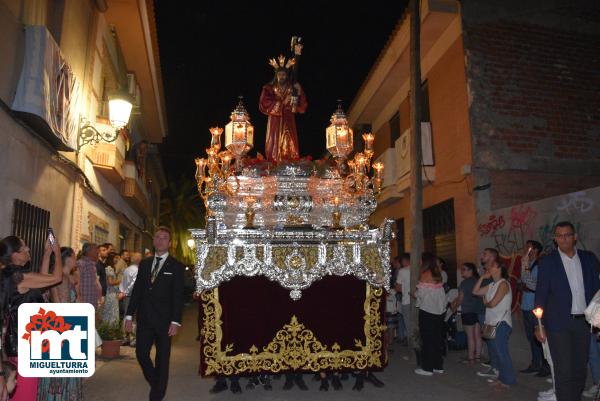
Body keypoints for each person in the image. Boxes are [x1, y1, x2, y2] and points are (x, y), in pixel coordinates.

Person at [535, 221, 600, 401]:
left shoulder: (588, 258)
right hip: (558, 324)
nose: (563, 239)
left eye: (567, 235)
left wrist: (599, 323)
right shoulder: (548, 261)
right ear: (555, 239)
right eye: (559, 236)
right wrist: (538, 325)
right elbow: (541, 294)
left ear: (575, 237)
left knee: (579, 368)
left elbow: (597, 293)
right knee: (563, 368)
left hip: (583, 323)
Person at [125, 227, 185, 401]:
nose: (160, 240)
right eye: (157, 237)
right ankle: (157, 383)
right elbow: (137, 291)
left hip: (165, 321)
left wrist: (176, 321)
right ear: (154, 241)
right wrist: (129, 315)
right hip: (144, 318)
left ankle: (157, 394)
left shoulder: (176, 266)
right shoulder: (144, 264)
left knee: (162, 358)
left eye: (164, 238)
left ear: (170, 243)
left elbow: (178, 296)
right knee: (141, 354)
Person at [0, 235, 63, 401]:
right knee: (26, 393)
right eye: (24, 247)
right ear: (15, 255)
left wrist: (47, 254)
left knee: (19, 390)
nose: (28, 250)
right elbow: (56, 278)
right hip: (24, 344)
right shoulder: (19, 277)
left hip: (19, 342)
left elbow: (43, 280)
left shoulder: (12, 275)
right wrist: (57, 252)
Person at [38, 247, 84, 401]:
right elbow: (62, 309)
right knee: (61, 376)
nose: (76, 260)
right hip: (62, 332)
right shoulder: (62, 279)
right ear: (69, 259)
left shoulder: (64, 278)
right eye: (74, 256)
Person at [259, 44, 307, 162]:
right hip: (275, 119)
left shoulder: (293, 87)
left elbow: (302, 107)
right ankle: (274, 161)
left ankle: (289, 160)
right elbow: (264, 104)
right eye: (279, 74)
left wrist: (299, 92)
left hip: (289, 118)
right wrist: (281, 103)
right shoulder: (269, 88)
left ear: (287, 75)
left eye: (284, 74)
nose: (282, 76)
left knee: (290, 141)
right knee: (274, 142)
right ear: (276, 75)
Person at [473, 258, 515, 389]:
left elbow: (493, 303)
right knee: (497, 352)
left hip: (501, 323)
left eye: (492, 266)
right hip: (491, 323)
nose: (488, 268)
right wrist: (482, 277)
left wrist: (486, 302)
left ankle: (508, 380)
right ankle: (502, 378)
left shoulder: (503, 284)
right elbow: (475, 292)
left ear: (499, 269)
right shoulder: (491, 284)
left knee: (501, 352)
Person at [519, 240, 550, 377]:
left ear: (535, 249)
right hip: (526, 305)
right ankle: (535, 364)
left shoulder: (539, 265)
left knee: (540, 338)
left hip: (535, 307)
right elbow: (524, 282)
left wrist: (525, 284)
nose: (525, 249)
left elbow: (534, 286)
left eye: (528, 247)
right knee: (532, 338)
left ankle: (545, 366)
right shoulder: (529, 264)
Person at [414, 253, 447, 376]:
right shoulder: (438, 273)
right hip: (439, 311)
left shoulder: (425, 274)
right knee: (436, 338)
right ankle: (438, 366)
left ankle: (427, 368)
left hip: (428, 310)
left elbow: (421, 295)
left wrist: (414, 294)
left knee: (427, 339)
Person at [451, 262, 484, 364]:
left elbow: (461, 298)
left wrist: (454, 308)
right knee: (478, 335)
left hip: (468, 311)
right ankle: (477, 357)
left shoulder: (464, 283)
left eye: (464, 269)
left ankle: (471, 358)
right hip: (479, 311)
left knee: (470, 336)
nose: (462, 271)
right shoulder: (478, 281)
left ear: (471, 270)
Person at [120, 252, 141, 346]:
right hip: (133, 296)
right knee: (133, 317)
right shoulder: (137, 270)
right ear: (139, 260)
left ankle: (124, 337)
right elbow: (134, 283)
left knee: (126, 316)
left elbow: (122, 282)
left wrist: (123, 292)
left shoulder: (126, 269)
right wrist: (127, 291)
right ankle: (133, 339)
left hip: (125, 296)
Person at [76, 243, 102, 308]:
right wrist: (80, 300)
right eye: (95, 249)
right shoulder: (80, 264)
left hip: (93, 302)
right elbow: (77, 284)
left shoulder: (92, 265)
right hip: (84, 303)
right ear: (88, 251)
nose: (97, 251)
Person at [395, 253, 411, 344]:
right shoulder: (419, 269)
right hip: (419, 301)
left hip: (406, 300)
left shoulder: (402, 271)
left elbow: (398, 288)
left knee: (408, 325)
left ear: (404, 261)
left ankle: (412, 348)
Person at [101, 253, 120, 324]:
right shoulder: (109, 268)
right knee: (111, 313)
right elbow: (110, 282)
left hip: (112, 293)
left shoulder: (111, 268)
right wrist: (120, 281)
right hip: (111, 293)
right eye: (116, 258)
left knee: (112, 312)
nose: (117, 260)